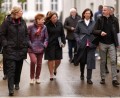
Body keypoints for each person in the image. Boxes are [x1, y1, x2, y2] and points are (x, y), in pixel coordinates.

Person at [0, 6, 29, 96]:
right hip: (10, 49)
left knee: (18, 68)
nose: (22, 12)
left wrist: (25, 43)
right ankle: (11, 89)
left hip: (21, 49)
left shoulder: (23, 22)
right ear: (16, 12)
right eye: (21, 11)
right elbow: (2, 34)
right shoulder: (6, 22)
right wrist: (5, 44)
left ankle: (17, 83)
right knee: (11, 69)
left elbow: (26, 34)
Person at [93, 6, 120, 87]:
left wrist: (117, 44)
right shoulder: (99, 19)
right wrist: (100, 32)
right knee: (103, 61)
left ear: (109, 11)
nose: (103, 11)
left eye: (104, 10)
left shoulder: (115, 20)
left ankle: (114, 79)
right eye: (102, 10)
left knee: (113, 60)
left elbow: (117, 31)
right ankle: (103, 78)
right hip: (102, 43)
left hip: (112, 44)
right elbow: (94, 30)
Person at [74, 8, 96, 84]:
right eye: (86, 13)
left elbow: (96, 33)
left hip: (91, 45)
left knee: (90, 61)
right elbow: (75, 32)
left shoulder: (94, 22)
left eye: (89, 13)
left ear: (91, 15)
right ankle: (82, 74)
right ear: (84, 14)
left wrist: (96, 41)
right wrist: (77, 39)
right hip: (82, 44)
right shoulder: (80, 23)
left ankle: (89, 78)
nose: (88, 14)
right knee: (82, 61)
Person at [44, 11, 66, 81]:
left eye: (56, 17)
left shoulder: (60, 24)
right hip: (50, 45)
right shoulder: (46, 25)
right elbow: (44, 35)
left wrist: (64, 42)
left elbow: (62, 34)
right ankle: (51, 74)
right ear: (50, 18)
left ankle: (55, 68)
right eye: (53, 17)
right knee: (50, 60)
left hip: (58, 44)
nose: (55, 19)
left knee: (58, 60)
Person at [27, 13, 48, 84]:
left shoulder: (44, 27)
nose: (43, 21)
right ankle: (32, 77)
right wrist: (30, 44)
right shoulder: (30, 27)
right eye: (42, 20)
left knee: (39, 64)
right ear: (37, 20)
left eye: (43, 20)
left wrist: (44, 45)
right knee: (33, 61)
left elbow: (46, 38)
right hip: (31, 48)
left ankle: (37, 77)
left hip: (41, 48)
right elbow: (27, 37)